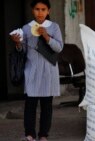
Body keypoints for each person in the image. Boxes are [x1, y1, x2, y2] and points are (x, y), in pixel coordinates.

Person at [10, 0, 63, 141]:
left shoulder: (54, 27)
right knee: (30, 105)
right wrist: (17, 44)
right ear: (33, 11)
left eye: (43, 9)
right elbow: (23, 50)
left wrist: (46, 36)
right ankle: (30, 135)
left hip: (49, 72)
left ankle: (43, 135)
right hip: (32, 71)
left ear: (48, 11)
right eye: (37, 9)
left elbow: (59, 48)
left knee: (46, 106)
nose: (40, 12)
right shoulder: (27, 28)